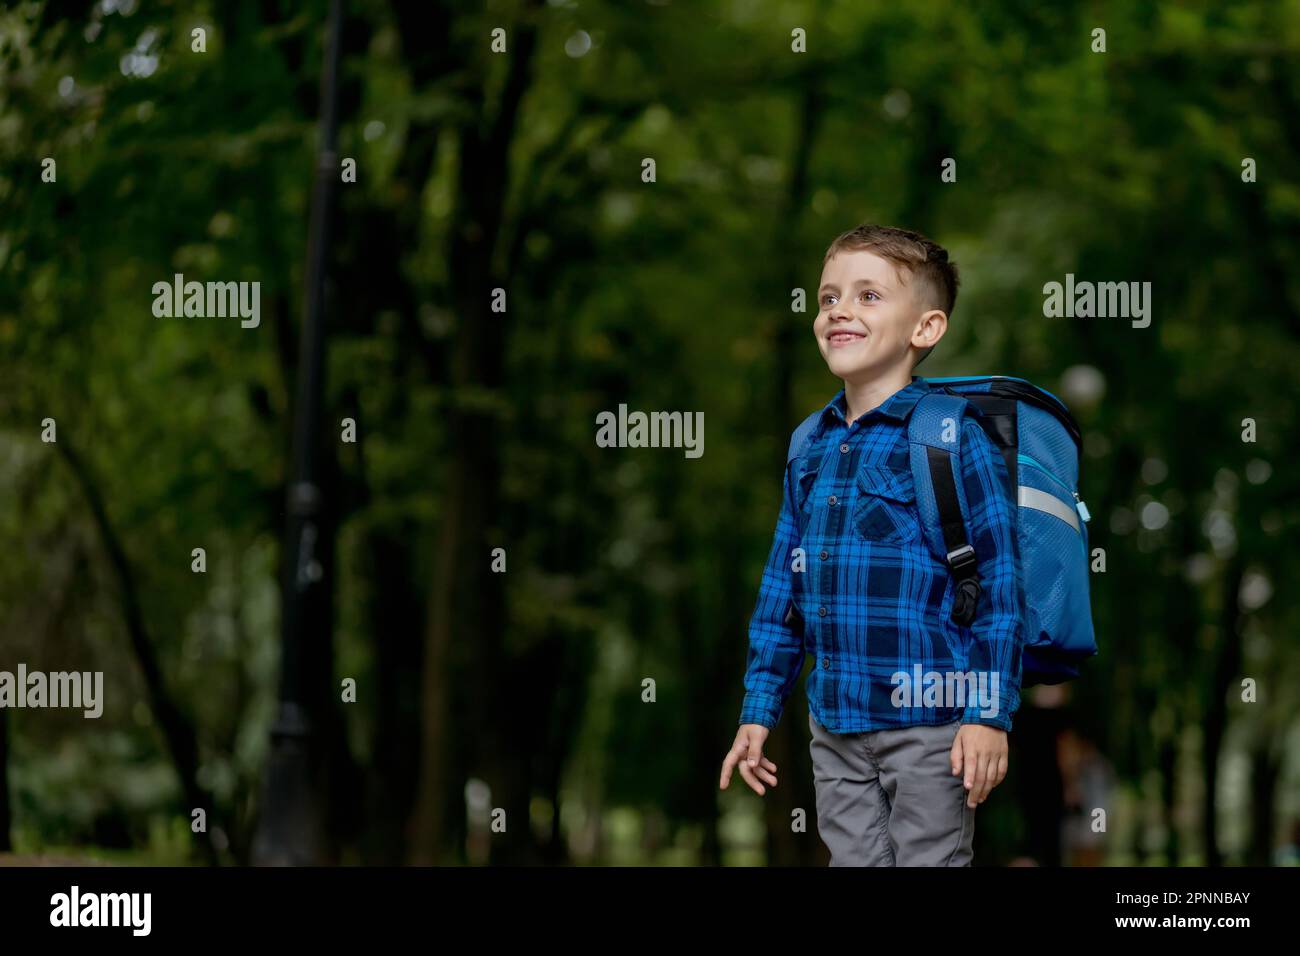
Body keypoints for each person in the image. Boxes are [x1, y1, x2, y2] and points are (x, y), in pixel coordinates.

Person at [718, 224, 1025, 866]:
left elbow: (999, 585)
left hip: (933, 721)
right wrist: (758, 709)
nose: (840, 312)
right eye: (829, 298)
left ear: (926, 329)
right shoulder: (810, 445)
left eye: (868, 296)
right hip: (833, 721)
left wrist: (989, 713)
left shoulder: (950, 437)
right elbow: (783, 591)